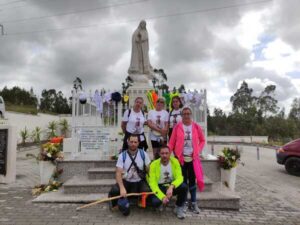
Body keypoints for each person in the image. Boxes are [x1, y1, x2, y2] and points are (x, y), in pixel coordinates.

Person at [168, 107, 205, 214]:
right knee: (182, 183)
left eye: (188, 113)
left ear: (191, 115)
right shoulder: (177, 127)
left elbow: (202, 140)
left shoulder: (196, 127)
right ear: (181, 115)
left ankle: (193, 203)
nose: (186, 115)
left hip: (193, 159)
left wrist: (198, 150)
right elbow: (171, 142)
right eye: (184, 114)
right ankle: (182, 203)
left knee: (193, 182)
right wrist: (167, 154)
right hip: (180, 159)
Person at [108, 134, 151, 216]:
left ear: (138, 143)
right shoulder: (122, 156)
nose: (133, 144)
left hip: (139, 181)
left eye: (135, 142)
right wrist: (121, 188)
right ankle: (115, 204)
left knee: (147, 190)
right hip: (126, 181)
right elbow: (118, 173)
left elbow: (149, 170)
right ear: (128, 142)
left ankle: (139, 199)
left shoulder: (143, 154)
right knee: (115, 190)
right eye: (131, 142)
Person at [148, 146, 188, 219]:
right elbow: (152, 183)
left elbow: (180, 177)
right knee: (155, 202)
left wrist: (172, 186)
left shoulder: (175, 161)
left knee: (184, 187)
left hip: (171, 185)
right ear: (159, 154)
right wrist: (162, 197)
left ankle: (178, 207)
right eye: (162, 153)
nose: (165, 155)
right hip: (160, 186)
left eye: (167, 153)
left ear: (170, 154)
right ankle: (161, 202)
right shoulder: (153, 164)